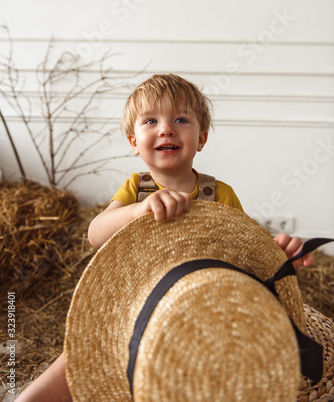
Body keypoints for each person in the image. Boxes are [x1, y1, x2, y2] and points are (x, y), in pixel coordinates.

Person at [16, 73, 313, 402]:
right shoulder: (136, 189)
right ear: (133, 142)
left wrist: (279, 256)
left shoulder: (220, 194)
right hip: (135, 307)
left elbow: (244, 255)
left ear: (201, 138)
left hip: (203, 315)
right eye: (151, 120)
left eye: (181, 119)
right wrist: (138, 211)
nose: (166, 129)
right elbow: (95, 233)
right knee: (73, 363)